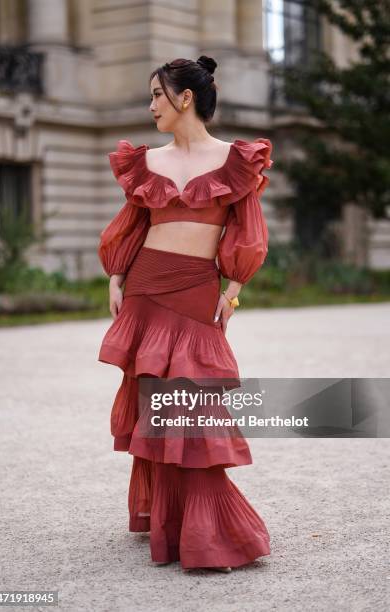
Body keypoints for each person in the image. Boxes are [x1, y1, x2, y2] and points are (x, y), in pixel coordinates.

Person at [97, 56, 273, 573]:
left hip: (196, 290)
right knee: (157, 404)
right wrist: (115, 274)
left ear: (185, 97)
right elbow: (130, 223)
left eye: (157, 95)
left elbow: (247, 226)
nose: (151, 105)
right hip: (145, 288)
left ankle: (207, 527)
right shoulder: (146, 161)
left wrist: (235, 285)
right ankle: (169, 521)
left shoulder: (234, 159)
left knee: (190, 410)